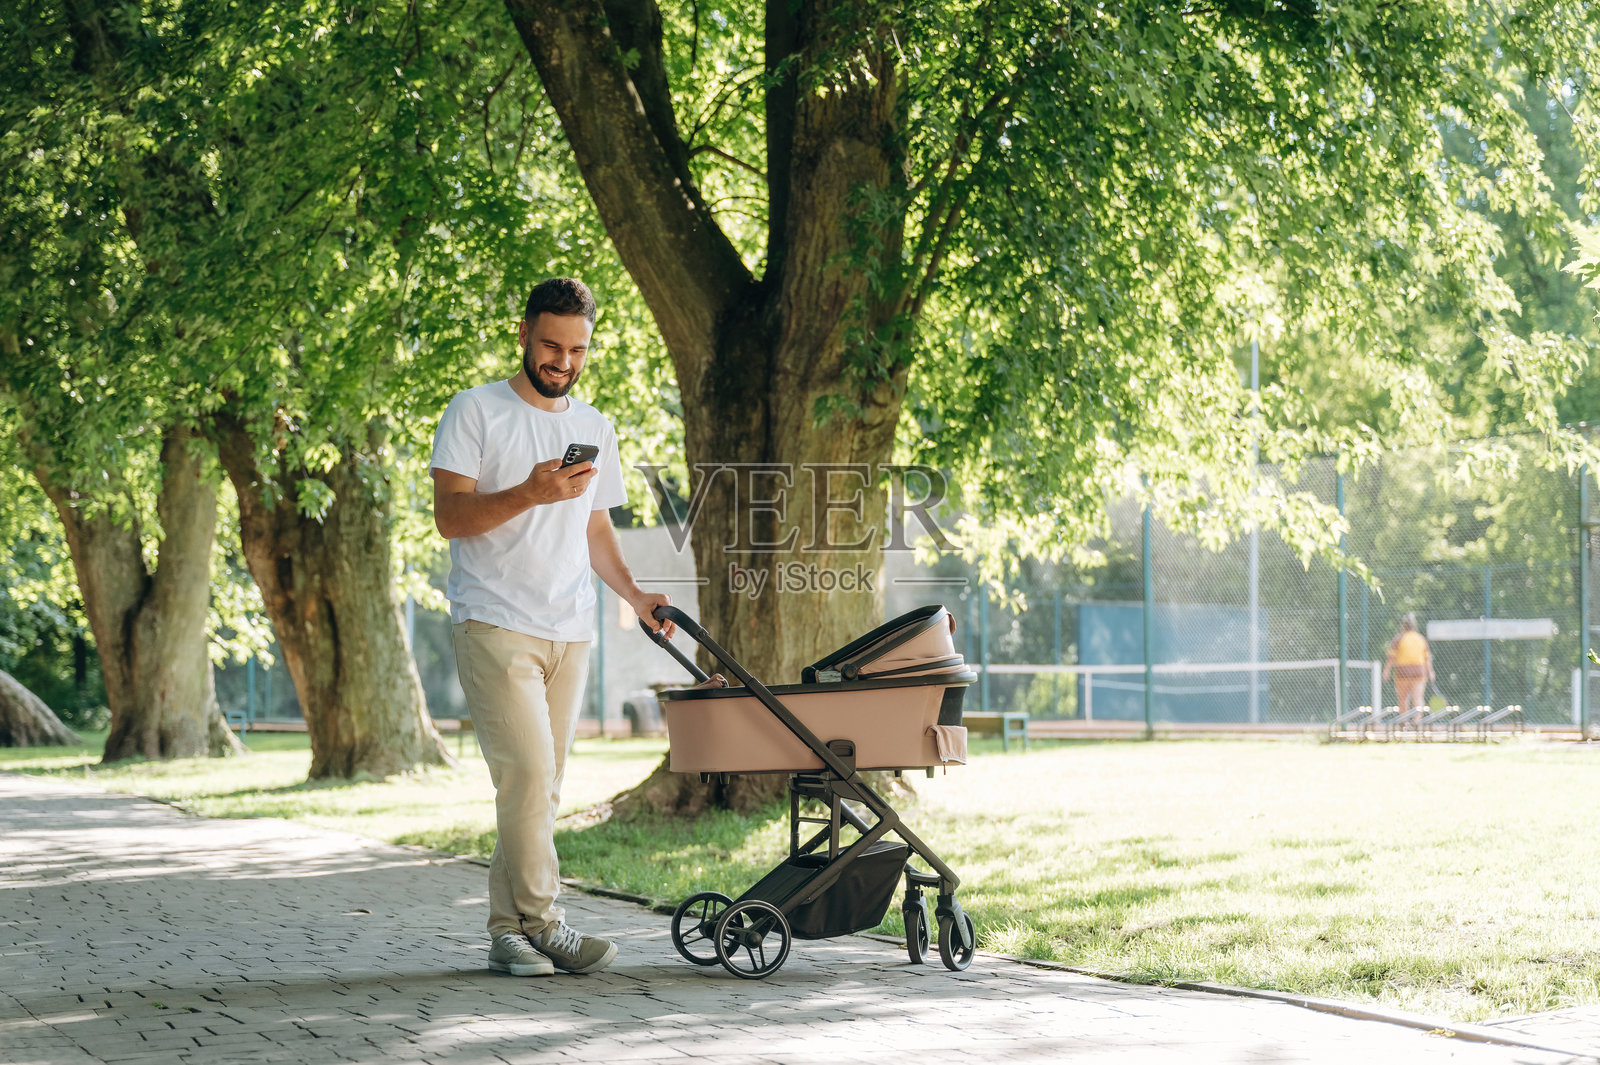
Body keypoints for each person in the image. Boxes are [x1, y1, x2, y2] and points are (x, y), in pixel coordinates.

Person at [430, 277, 672, 977]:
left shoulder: (594, 427)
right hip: (494, 620)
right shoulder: (475, 411)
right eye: (550, 344)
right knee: (530, 773)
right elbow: (451, 516)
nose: (562, 359)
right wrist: (529, 492)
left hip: (572, 627)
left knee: (536, 787)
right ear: (524, 334)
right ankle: (547, 922)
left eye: (576, 348)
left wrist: (635, 593)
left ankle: (508, 932)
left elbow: (594, 525)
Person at [1382, 612, 1433, 715]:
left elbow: (1391, 658)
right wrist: (1430, 672)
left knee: (1403, 698)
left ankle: (1404, 722)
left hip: (1402, 672)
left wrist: (1386, 671)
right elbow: (1427, 659)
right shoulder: (1421, 639)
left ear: (1403, 625)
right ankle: (1417, 722)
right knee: (1418, 698)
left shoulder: (1398, 638)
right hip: (1418, 672)